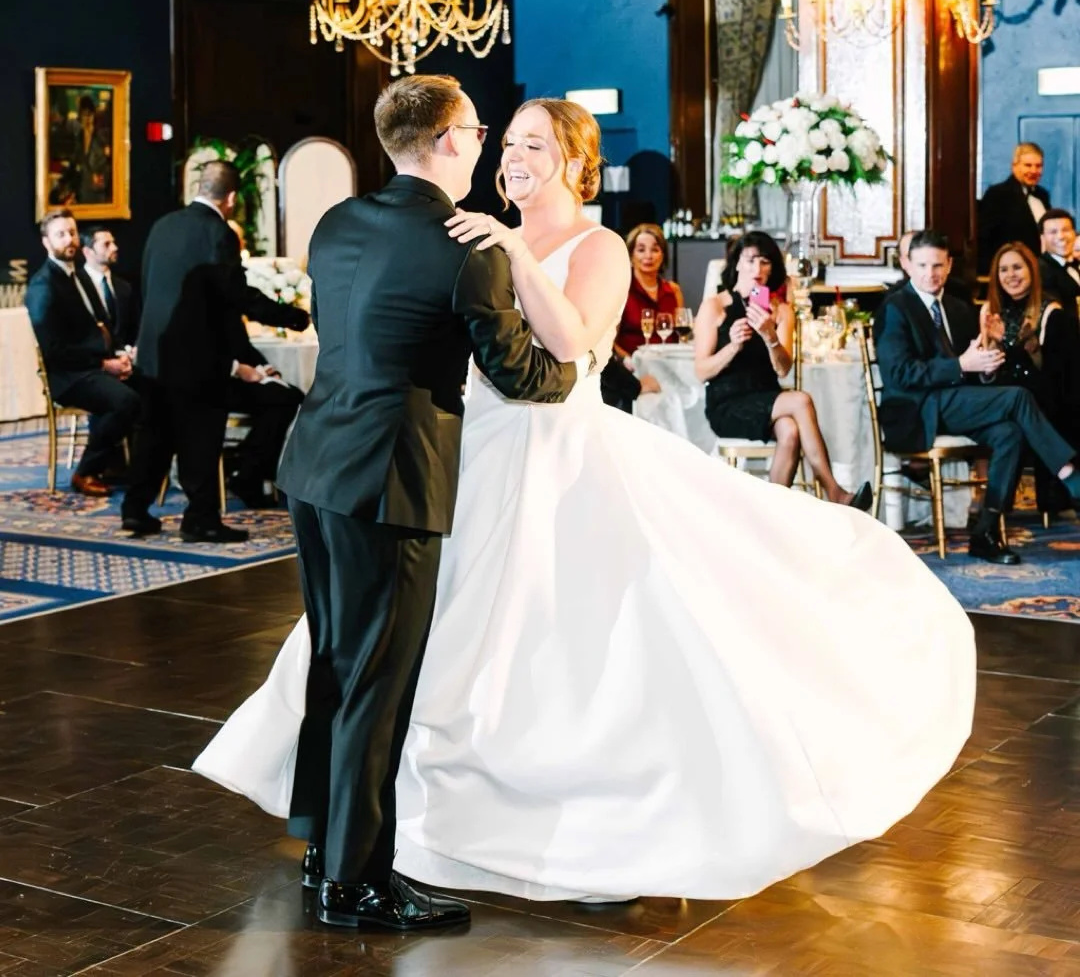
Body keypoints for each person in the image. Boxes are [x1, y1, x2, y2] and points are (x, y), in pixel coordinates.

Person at [197, 98, 978, 911]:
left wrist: (517, 258)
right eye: (506, 143)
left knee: (552, 641)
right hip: (455, 452)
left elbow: (574, 346)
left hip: (553, 455)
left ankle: (570, 830)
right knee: (397, 649)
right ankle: (365, 838)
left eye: (534, 144)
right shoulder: (466, 233)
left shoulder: (595, 245)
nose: (513, 157)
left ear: (576, 159)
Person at [204, 78, 582, 933]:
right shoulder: (467, 247)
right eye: (481, 130)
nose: (487, 144)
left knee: (336, 667)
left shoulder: (337, 223)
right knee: (380, 683)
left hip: (316, 464)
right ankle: (357, 885)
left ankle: (323, 852)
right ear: (450, 141)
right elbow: (524, 374)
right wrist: (579, 368)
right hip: (393, 479)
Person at [120, 162, 309, 542]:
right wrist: (293, 317)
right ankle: (201, 519)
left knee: (156, 434)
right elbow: (235, 295)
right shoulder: (217, 233)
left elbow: (148, 287)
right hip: (197, 356)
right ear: (232, 198)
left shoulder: (163, 225)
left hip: (155, 352)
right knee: (201, 438)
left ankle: (135, 510)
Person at [874, 229, 1080, 566]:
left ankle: (985, 532)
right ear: (907, 264)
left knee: (1009, 433)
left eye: (938, 265)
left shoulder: (958, 307)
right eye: (923, 265)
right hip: (915, 410)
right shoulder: (895, 308)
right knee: (1017, 398)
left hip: (955, 404)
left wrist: (988, 357)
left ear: (949, 264)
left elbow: (977, 370)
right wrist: (960, 365)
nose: (931, 273)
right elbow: (900, 375)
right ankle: (1070, 476)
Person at [692, 231, 871, 507]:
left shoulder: (781, 310)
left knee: (790, 431)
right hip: (728, 402)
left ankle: (774, 516)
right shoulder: (715, 306)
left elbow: (783, 370)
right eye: (751, 260)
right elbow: (701, 371)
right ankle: (833, 491)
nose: (758, 269)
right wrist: (733, 346)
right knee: (801, 400)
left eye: (765, 262)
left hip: (769, 397)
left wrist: (769, 336)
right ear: (737, 263)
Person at [25, 209, 140, 495]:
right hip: (69, 375)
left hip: (95, 366)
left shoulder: (80, 275)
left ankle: (128, 464)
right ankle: (86, 470)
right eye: (61, 235)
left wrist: (119, 354)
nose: (69, 240)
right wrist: (104, 364)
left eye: (72, 233)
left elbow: (103, 324)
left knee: (154, 384)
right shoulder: (43, 286)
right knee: (125, 401)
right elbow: (55, 350)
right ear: (46, 242)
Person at [982, 242, 1080, 517]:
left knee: (1016, 409)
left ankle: (998, 507)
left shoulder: (1052, 313)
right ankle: (996, 507)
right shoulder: (994, 312)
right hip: (1005, 398)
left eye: (1017, 267)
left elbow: (1052, 380)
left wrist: (1010, 344)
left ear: (1031, 271)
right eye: (1003, 269)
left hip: (1050, 402)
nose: (1010, 275)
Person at [977, 142, 1050, 273]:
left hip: (1040, 270)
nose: (1034, 171)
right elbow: (985, 238)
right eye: (1028, 165)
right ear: (1014, 166)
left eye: (1038, 166)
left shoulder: (1042, 195)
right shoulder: (997, 194)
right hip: (1010, 271)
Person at [614, 223, 684, 356]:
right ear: (630, 255)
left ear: (663, 255)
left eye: (655, 250)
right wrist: (630, 362)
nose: (648, 256)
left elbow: (679, 336)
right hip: (632, 368)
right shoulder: (621, 290)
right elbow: (610, 343)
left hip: (669, 365)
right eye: (641, 250)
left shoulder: (674, 291)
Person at [80, 225, 137, 350]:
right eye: (106, 244)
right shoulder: (76, 285)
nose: (114, 248)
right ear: (87, 252)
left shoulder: (124, 287)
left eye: (113, 242)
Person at [1039, 209, 1080, 315]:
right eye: (1053, 232)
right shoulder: (1040, 270)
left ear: (1074, 233)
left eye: (1066, 230)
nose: (1061, 237)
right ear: (1042, 238)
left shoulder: (1075, 264)